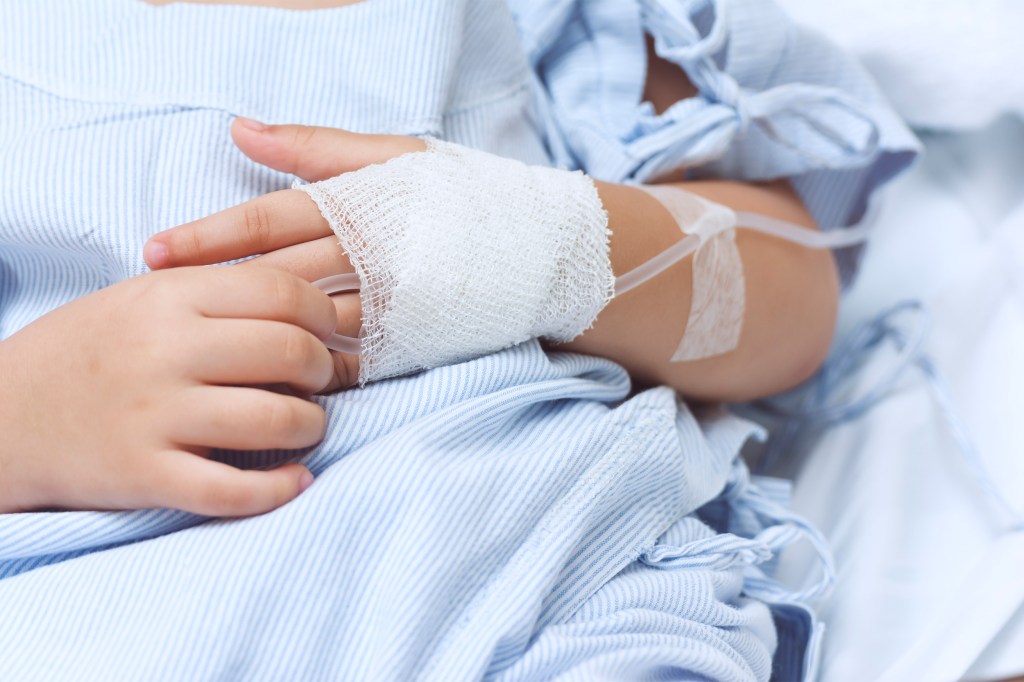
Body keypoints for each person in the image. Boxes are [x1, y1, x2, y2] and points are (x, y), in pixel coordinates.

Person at [0, 0, 918, 679]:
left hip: (534, 571)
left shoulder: (539, 21)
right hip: (94, 600)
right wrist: (26, 418)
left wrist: (539, 241)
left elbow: (790, 300)